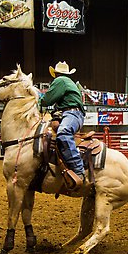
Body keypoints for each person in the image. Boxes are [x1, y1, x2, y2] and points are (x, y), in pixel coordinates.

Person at [39, 61, 86, 190]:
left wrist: (38, 102)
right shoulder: (67, 83)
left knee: (64, 133)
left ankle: (78, 170)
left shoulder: (60, 80)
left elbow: (47, 99)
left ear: (56, 73)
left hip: (72, 113)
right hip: (71, 114)